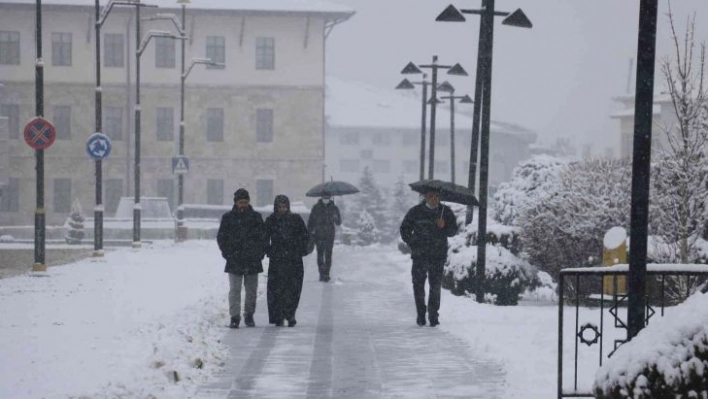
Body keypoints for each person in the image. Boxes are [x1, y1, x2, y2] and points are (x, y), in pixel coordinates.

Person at [399, 188, 458, 327]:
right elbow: (404, 229)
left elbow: (453, 230)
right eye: (431, 196)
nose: (434, 199)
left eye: (437, 196)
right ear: (425, 197)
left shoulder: (445, 212)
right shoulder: (415, 212)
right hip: (420, 256)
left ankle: (433, 315)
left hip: (438, 256)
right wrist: (413, 242)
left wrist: (444, 226)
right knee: (418, 286)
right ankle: (421, 314)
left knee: (435, 286)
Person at [217, 188, 266, 329]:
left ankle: (249, 315)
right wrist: (227, 253)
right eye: (240, 202)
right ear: (236, 203)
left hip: (252, 260)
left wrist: (259, 253)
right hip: (234, 260)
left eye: (245, 202)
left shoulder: (256, 217)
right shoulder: (228, 218)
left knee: (251, 290)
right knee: (235, 290)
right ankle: (235, 316)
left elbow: (262, 237)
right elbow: (221, 237)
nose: (243, 205)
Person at [264, 195, 311, 327]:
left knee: (293, 288)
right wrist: (269, 250)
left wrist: (300, 250)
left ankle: (290, 314)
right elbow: (264, 237)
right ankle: (278, 315)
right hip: (277, 260)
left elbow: (305, 236)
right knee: (276, 289)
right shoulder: (271, 220)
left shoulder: (295, 219)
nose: (282, 209)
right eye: (279, 207)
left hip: (293, 259)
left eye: (284, 207)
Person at [307, 194, 341, 282]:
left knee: (328, 255)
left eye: (327, 198)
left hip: (330, 235)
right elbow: (311, 221)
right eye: (324, 198)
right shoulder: (316, 208)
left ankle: (326, 273)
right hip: (319, 235)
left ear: (330, 198)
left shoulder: (334, 208)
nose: (326, 199)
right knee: (320, 254)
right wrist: (310, 232)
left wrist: (336, 217)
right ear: (321, 198)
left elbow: (338, 222)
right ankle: (322, 274)